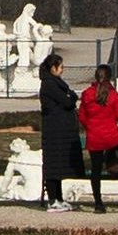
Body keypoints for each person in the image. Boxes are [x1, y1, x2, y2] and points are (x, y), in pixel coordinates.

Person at [34, 51, 82, 213]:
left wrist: (71, 96)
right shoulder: (49, 84)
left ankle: (59, 198)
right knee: (53, 167)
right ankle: (53, 200)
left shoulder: (56, 83)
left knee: (58, 167)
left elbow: (69, 98)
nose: (62, 70)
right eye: (60, 67)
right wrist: (71, 97)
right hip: (54, 132)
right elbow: (68, 101)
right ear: (53, 68)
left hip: (59, 131)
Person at [77, 62, 118, 209]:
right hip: (111, 136)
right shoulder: (112, 95)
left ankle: (98, 202)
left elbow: (82, 116)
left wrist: (90, 126)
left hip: (94, 136)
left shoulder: (87, 93)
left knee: (95, 169)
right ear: (110, 77)